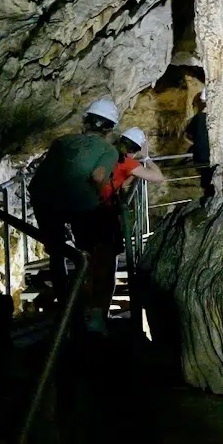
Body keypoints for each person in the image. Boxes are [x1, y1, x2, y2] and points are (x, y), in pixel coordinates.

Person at [27, 98, 121, 335]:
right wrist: (100, 198)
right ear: (109, 129)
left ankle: (66, 310)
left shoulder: (62, 141)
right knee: (101, 249)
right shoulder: (108, 150)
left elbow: (50, 172)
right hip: (79, 203)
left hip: (44, 200)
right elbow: (99, 177)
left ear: (85, 122)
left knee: (57, 253)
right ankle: (96, 315)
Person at [93, 127, 166, 324]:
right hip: (103, 215)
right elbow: (158, 176)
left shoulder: (105, 153)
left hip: (85, 212)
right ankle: (98, 316)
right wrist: (147, 158)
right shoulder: (128, 162)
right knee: (107, 265)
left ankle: (89, 311)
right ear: (135, 149)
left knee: (94, 262)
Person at [185, 90, 214, 198]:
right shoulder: (218, 118)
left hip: (202, 156)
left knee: (206, 179)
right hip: (215, 156)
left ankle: (208, 196)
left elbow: (188, 134)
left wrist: (197, 143)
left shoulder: (198, 118)